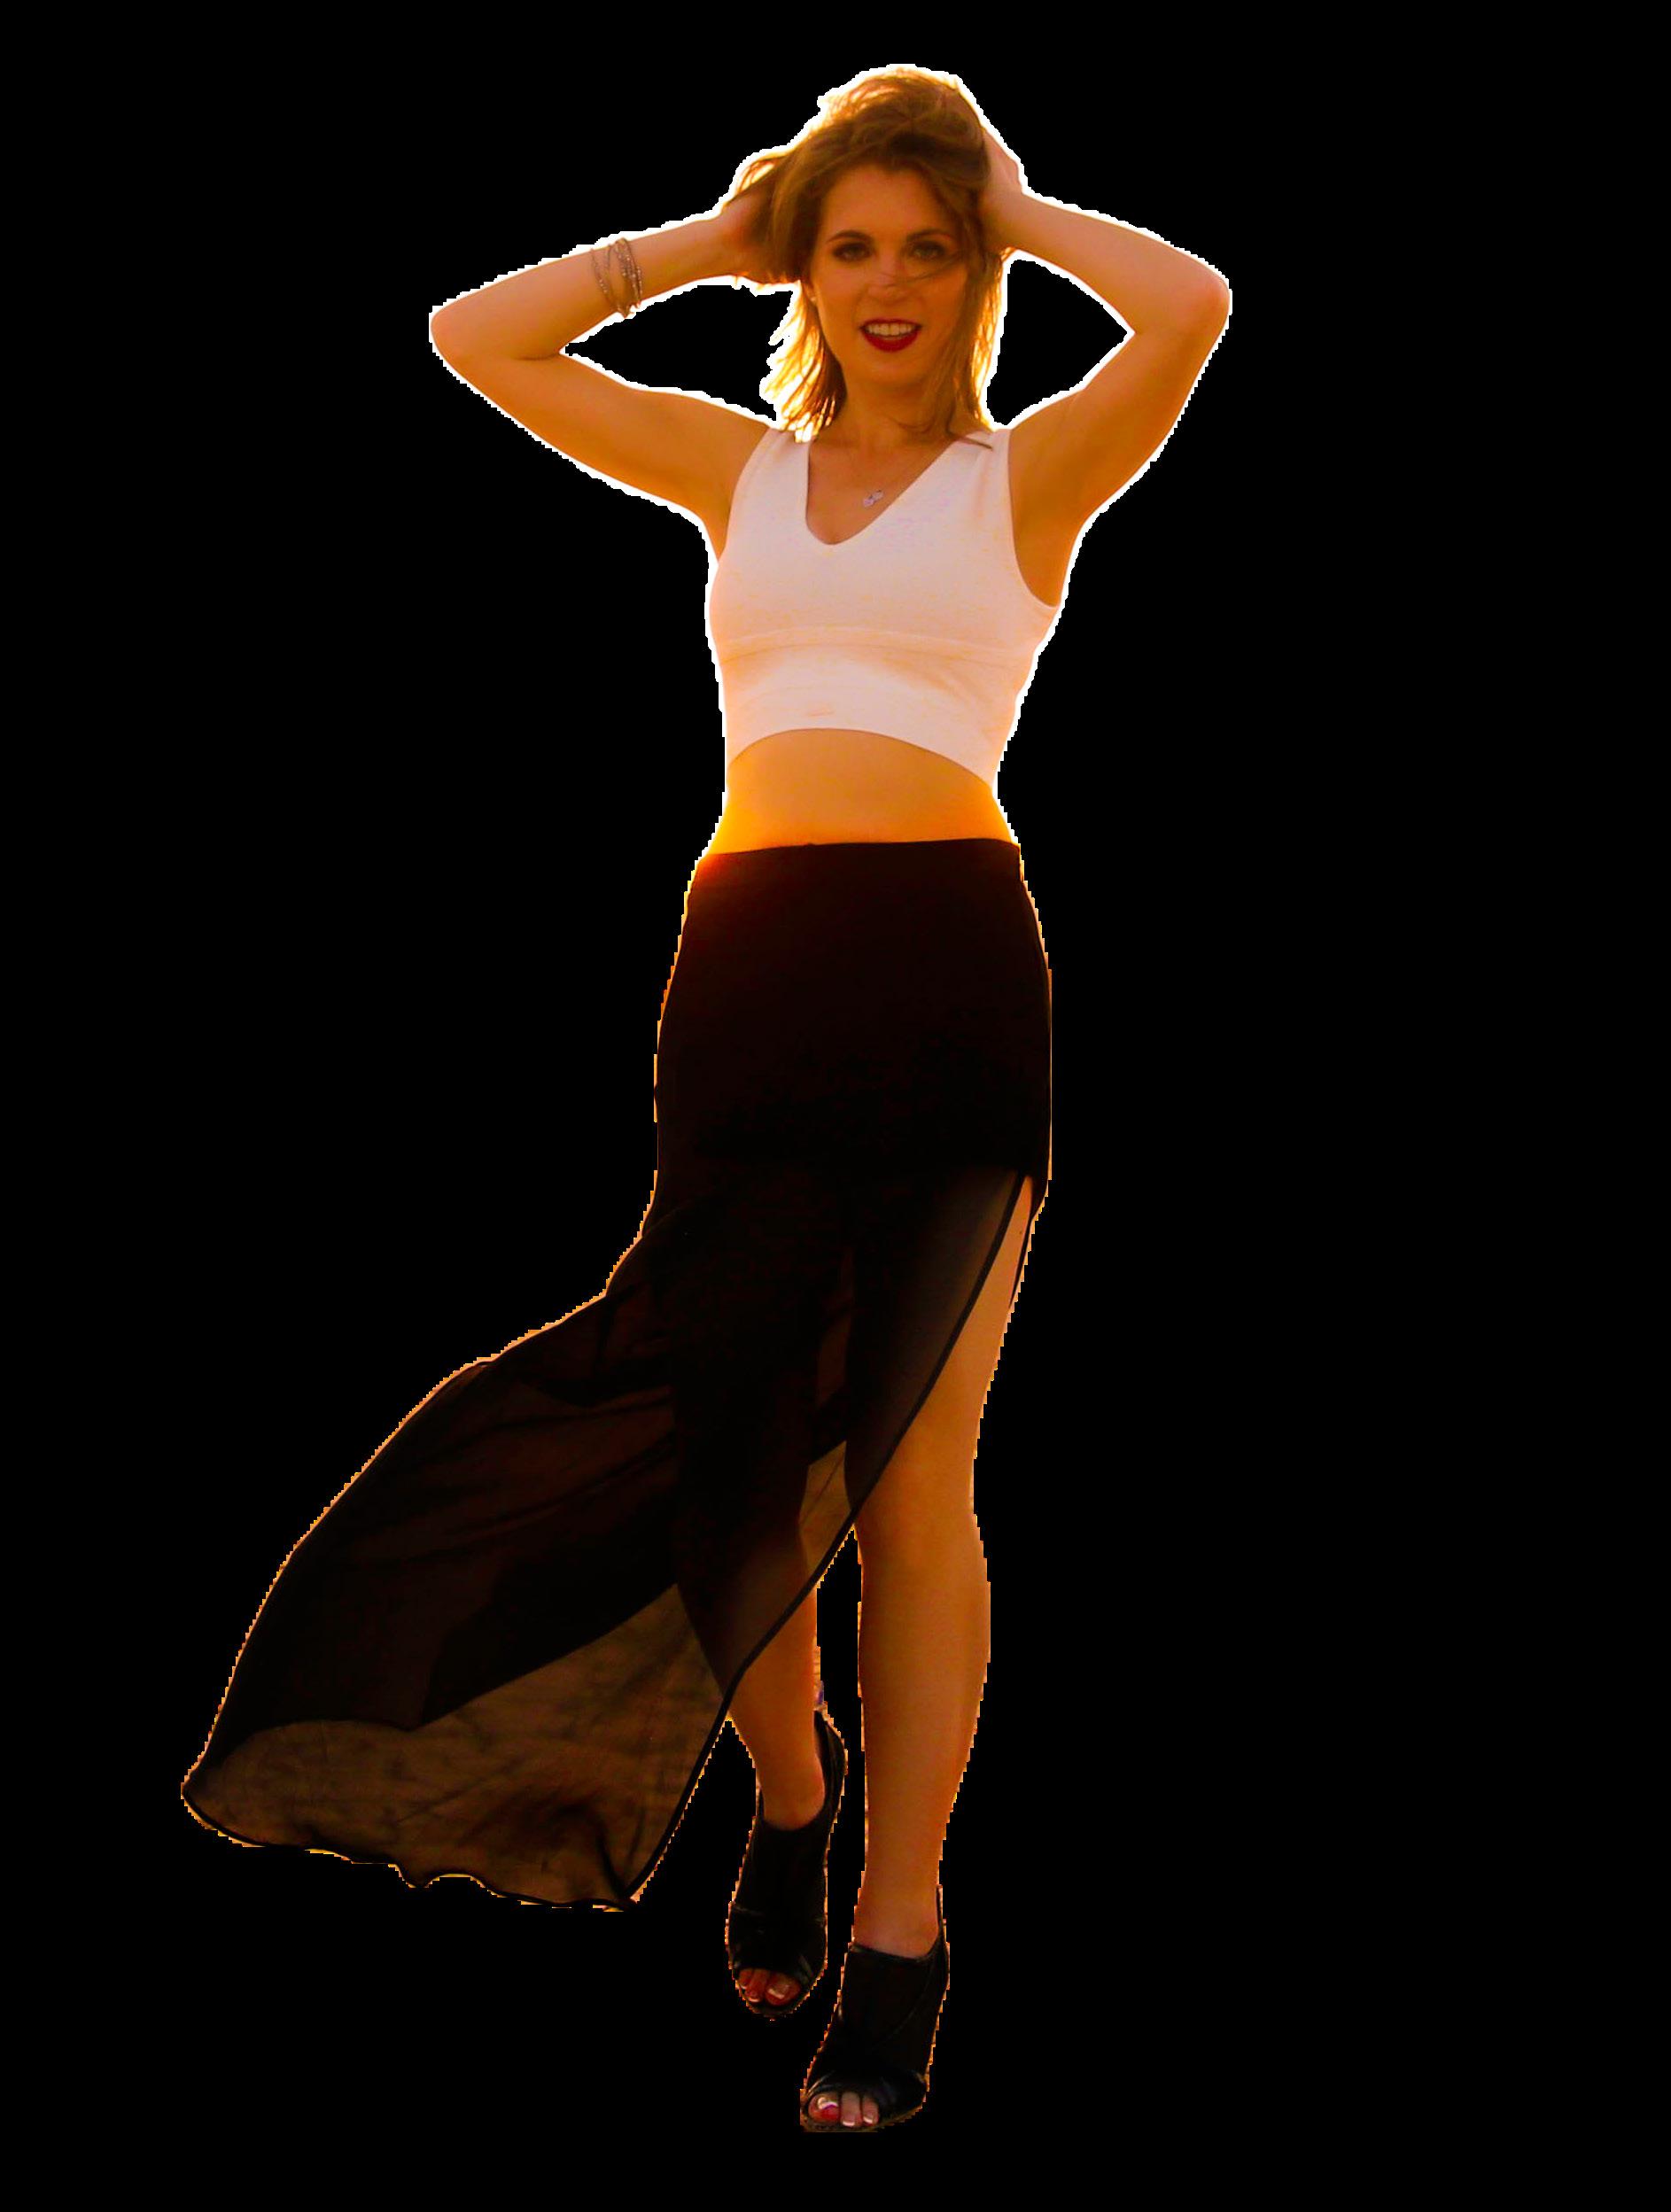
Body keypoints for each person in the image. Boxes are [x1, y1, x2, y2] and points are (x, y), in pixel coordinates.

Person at [181, 67, 1228, 2134]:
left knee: (913, 1484)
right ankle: (793, 1798)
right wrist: (706, 243)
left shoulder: (1027, 478)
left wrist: (1011, 195)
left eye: (927, 248)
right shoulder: (733, 470)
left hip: (951, 977)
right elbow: (473, 337)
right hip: (750, 971)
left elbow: (1190, 303)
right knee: (735, 1464)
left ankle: (907, 1927)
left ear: (976, 270)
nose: (890, 281)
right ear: (806, 271)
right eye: (853, 248)